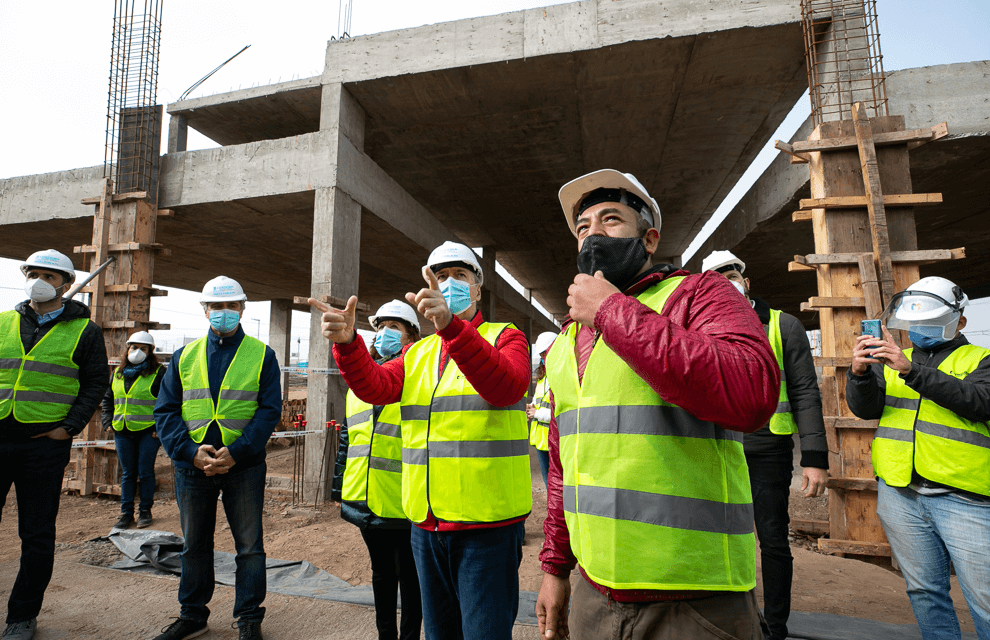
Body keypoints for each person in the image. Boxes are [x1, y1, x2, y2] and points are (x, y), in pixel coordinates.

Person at [535, 170, 779, 640]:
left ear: (649, 239)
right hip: (594, 589)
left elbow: (752, 392)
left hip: (692, 598)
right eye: (583, 227)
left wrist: (611, 310)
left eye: (611, 219)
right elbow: (566, 467)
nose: (593, 234)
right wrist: (555, 569)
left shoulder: (700, 294)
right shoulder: (565, 341)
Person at [310, 241, 532, 640]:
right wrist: (348, 346)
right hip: (426, 525)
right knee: (439, 634)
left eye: (460, 276)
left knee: (483, 634)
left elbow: (506, 386)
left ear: (478, 289)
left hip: (487, 528)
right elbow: (374, 386)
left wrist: (453, 329)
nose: (449, 285)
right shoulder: (417, 354)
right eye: (441, 277)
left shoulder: (507, 338)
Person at [846, 276, 990, 640]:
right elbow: (866, 410)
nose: (920, 331)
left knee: (985, 598)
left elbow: (979, 402)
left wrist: (911, 372)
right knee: (924, 591)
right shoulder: (896, 360)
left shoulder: (981, 359)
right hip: (901, 494)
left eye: (930, 323)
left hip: (964, 498)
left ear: (959, 322)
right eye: (916, 324)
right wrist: (859, 374)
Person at [702, 249, 828, 640]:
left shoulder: (782, 326)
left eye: (731, 276)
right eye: (715, 280)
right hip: (717, 448)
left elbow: (806, 391)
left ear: (747, 281)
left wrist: (815, 457)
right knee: (717, 538)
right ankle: (730, 619)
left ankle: (774, 627)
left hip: (767, 451)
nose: (726, 284)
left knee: (771, 539)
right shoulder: (701, 327)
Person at [153, 276, 281, 640]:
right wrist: (190, 453)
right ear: (205, 310)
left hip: (243, 467)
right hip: (192, 468)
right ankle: (193, 615)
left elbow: (269, 411)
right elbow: (165, 411)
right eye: (216, 307)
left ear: (242, 308)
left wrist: (237, 452)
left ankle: (248, 619)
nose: (223, 313)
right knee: (194, 545)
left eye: (231, 306)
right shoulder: (184, 356)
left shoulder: (262, 355)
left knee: (250, 547)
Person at [0, 249, 109, 640]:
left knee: (37, 533)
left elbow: (96, 383)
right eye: (34, 273)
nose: (40, 280)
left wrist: (70, 428)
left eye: (50, 275)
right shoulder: (3, 323)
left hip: (43, 446)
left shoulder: (85, 330)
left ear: (65, 282)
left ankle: (22, 615)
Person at [331, 300, 423, 640]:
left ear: (410, 336)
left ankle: (409, 636)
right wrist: (339, 489)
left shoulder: (417, 376)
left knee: (411, 579)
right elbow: (348, 437)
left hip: (403, 500)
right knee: (382, 574)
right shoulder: (361, 374)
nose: (384, 333)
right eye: (381, 326)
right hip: (364, 497)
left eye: (394, 327)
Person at [101, 331, 166, 530]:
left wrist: (159, 427)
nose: (137, 351)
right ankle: (126, 513)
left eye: (143, 348)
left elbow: (168, 402)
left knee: (145, 472)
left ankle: (145, 511)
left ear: (150, 352)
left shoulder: (159, 373)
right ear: (127, 349)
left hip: (148, 431)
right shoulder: (118, 373)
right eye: (134, 347)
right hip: (123, 429)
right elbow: (108, 400)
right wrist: (107, 421)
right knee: (128, 473)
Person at [526, 331, 557, 488]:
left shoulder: (561, 376)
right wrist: (531, 407)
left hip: (555, 440)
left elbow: (564, 412)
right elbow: (538, 400)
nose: (544, 358)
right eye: (542, 354)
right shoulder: (542, 378)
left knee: (557, 484)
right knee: (548, 484)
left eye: (545, 353)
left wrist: (537, 413)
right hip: (540, 441)